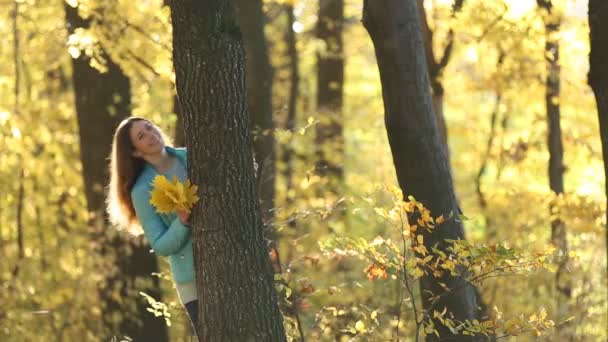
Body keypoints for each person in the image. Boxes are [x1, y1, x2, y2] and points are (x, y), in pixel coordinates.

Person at [106, 116, 199, 339]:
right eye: (141, 136)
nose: (150, 135)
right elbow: (160, 245)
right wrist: (182, 221)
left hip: (226, 262)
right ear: (135, 152)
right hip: (192, 279)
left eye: (149, 128)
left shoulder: (191, 156)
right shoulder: (141, 190)